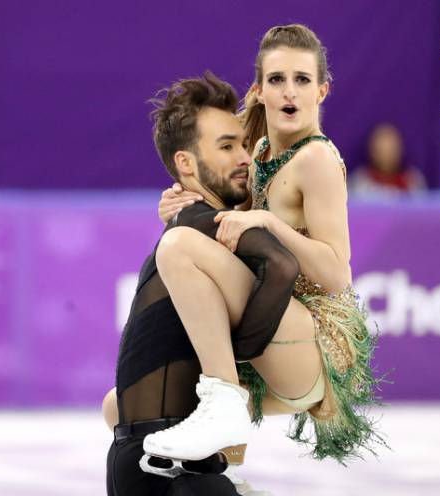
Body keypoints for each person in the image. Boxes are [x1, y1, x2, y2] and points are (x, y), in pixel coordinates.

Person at [148, 24, 384, 466]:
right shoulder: (258, 152)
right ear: (258, 90)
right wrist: (181, 199)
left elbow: (337, 274)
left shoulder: (315, 159)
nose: (289, 91)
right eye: (277, 79)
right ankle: (228, 478)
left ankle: (225, 403)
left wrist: (269, 223)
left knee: (179, 248)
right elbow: (226, 223)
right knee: (129, 407)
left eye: (302, 79)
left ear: (322, 91)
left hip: (314, 345)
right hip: (271, 330)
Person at [106, 72, 297, 495]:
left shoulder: (189, 229)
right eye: (227, 147)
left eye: (244, 145)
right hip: (173, 471)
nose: (245, 158)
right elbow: (282, 266)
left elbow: (115, 403)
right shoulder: (198, 226)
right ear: (186, 164)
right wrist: (245, 358)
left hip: (146, 460)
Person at [350, 122, 427, 197]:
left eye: (391, 149)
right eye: (381, 149)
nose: (386, 154)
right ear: (372, 151)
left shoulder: (413, 181)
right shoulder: (359, 181)